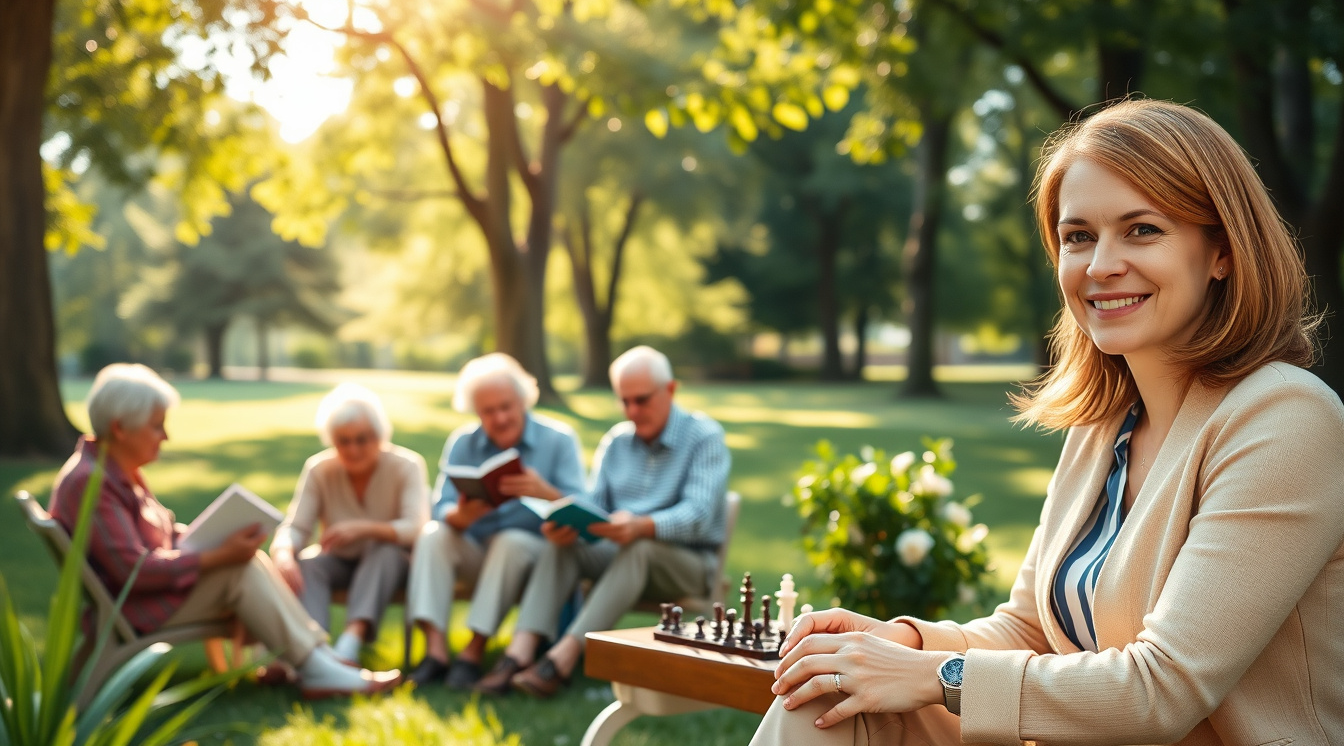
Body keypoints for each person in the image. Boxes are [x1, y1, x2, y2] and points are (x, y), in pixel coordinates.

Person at [752, 99, 1344, 745]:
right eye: (1079, 236)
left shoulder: (1286, 418)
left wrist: (934, 674)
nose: (1100, 265)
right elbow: (1030, 631)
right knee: (822, 697)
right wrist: (902, 641)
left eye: (1142, 229)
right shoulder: (1105, 425)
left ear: (1222, 252)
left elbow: (1163, 690)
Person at [49, 364, 401, 698]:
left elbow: (154, 539)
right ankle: (317, 666)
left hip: (143, 598)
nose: (166, 436)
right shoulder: (92, 484)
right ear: (121, 428)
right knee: (239, 569)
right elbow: (134, 572)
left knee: (245, 560)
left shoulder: (116, 473)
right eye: (157, 426)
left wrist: (212, 537)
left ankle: (316, 659)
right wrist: (219, 554)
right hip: (137, 607)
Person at [476, 345, 730, 698]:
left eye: (641, 400)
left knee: (639, 547)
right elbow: (596, 506)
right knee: (563, 544)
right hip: (622, 553)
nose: (632, 411)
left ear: (670, 390)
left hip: (686, 563)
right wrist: (568, 522)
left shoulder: (704, 437)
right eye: (624, 401)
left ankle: (562, 660)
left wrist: (641, 525)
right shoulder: (617, 441)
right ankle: (519, 653)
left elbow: (699, 517)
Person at [404, 353, 586, 688]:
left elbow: (583, 509)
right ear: (476, 412)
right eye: (488, 411)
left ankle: (474, 653)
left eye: (506, 407)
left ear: (523, 401)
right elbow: (440, 507)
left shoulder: (558, 439)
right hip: (476, 549)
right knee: (432, 535)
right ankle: (436, 653)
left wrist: (547, 492)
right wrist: (458, 516)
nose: (500, 418)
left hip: (532, 557)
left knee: (510, 541)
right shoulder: (463, 442)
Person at [270, 383, 429, 663]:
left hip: (392, 565)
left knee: (384, 550)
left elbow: (416, 527)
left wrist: (364, 528)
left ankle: (350, 644)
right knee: (307, 564)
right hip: (339, 561)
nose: (353, 449)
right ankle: (312, 648)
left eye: (362, 439)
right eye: (343, 441)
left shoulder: (407, 465)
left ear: (380, 436)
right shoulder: (319, 469)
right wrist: (283, 553)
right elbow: (296, 526)